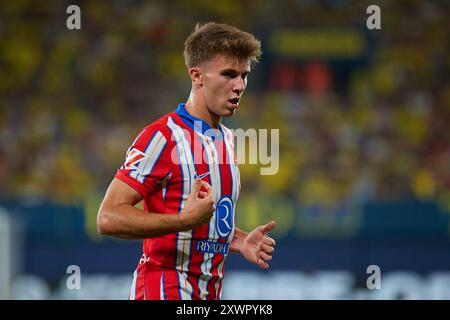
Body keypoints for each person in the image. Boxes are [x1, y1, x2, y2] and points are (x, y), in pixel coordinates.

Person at [97, 22, 276, 300]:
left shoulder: (227, 138)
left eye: (244, 76)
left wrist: (239, 240)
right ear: (197, 76)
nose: (239, 85)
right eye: (228, 74)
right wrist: (181, 220)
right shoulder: (162, 137)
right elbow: (107, 217)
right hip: (163, 289)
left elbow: (202, 221)